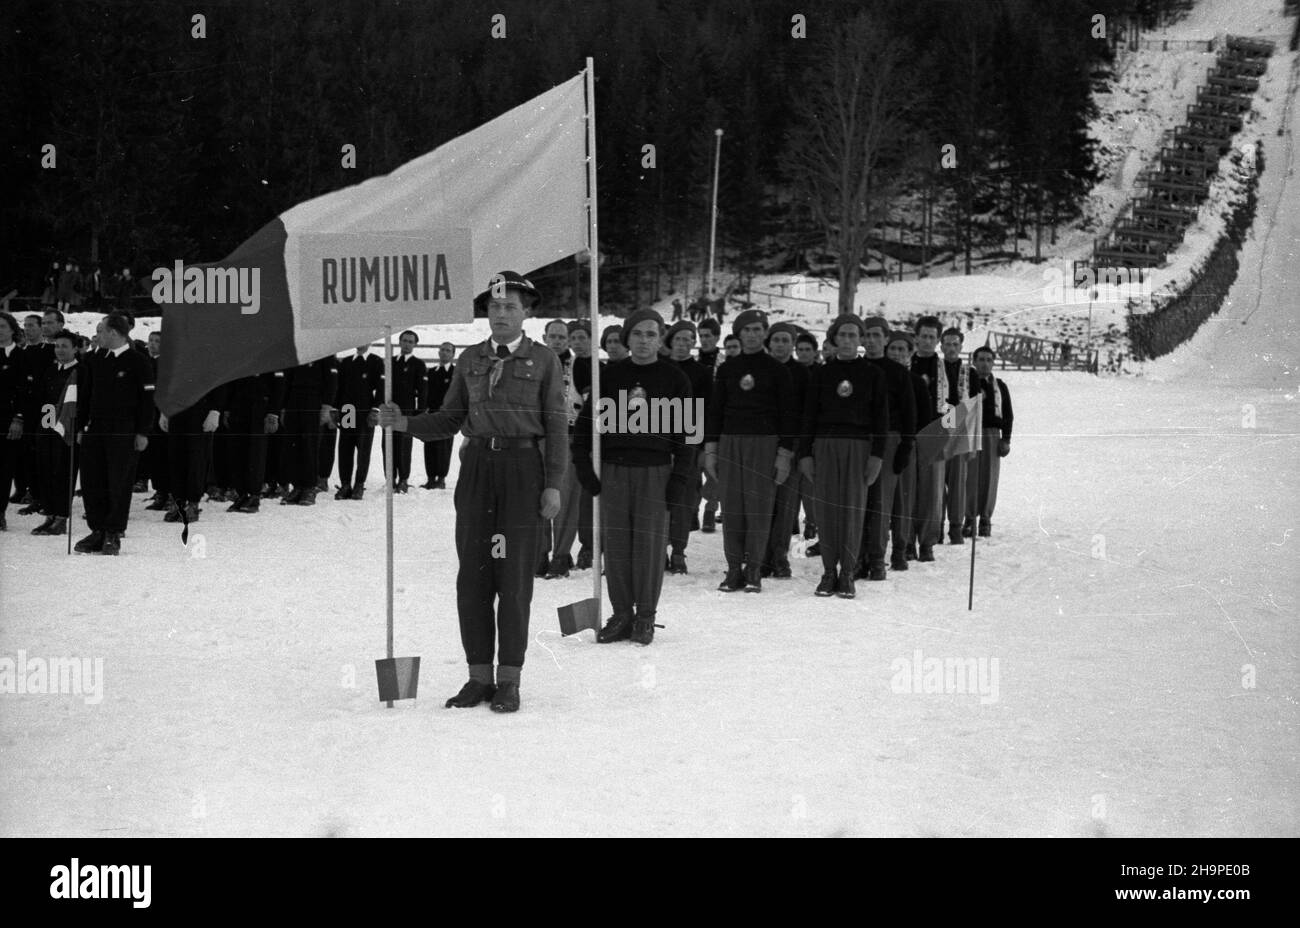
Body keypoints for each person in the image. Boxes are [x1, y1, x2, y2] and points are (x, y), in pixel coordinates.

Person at [377, 271, 566, 714]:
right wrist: (403, 422)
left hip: (523, 472)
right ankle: (478, 676)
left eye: (511, 307)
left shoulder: (544, 361)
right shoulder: (469, 359)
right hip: (478, 470)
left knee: (514, 580)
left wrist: (554, 483)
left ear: (527, 313)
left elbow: (557, 424)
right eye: (495, 307)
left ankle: (509, 680)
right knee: (474, 577)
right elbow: (449, 418)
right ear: (487, 312)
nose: (502, 314)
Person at [574, 309, 694, 645]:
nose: (644, 340)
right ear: (627, 338)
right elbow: (585, 428)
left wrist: (678, 480)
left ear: (661, 338)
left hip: (655, 473)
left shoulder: (676, 379)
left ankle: (645, 615)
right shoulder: (609, 377)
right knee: (617, 547)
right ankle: (622, 612)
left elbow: (689, 436)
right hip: (614, 471)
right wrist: (585, 469)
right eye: (637, 334)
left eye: (651, 334)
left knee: (649, 547)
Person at [703, 308, 797, 593]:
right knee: (732, 508)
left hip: (764, 444)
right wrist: (711, 449)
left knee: (759, 507)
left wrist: (784, 455)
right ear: (739, 334)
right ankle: (734, 568)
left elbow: (788, 416)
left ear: (765, 332)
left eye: (758, 329)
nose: (753, 335)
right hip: (731, 442)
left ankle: (754, 568)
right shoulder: (729, 368)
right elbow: (716, 410)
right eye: (747, 330)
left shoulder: (777, 370)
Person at [797, 315, 887, 598]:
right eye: (842, 335)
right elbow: (808, 415)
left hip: (858, 447)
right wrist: (805, 454)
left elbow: (881, 420)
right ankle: (827, 571)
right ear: (834, 339)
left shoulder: (873, 374)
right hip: (824, 446)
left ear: (860, 339)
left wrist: (877, 456)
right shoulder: (822, 374)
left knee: (852, 510)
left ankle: (847, 571)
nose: (847, 340)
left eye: (853, 335)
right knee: (826, 510)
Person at [74, 311, 154, 555]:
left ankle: (113, 532)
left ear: (114, 333)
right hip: (95, 429)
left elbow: (147, 400)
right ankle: (97, 529)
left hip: (124, 431)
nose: (97, 336)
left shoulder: (138, 361)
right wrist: (79, 427)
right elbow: (85, 396)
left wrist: (142, 432)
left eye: (101, 331)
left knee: (118, 482)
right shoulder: (95, 360)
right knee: (92, 480)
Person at [859, 316, 916, 581]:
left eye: (876, 335)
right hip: (858, 440)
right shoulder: (855, 368)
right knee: (858, 500)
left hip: (890, 440)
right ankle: (856, 556)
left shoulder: (897, 372)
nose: (870, 340)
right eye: (866, 335)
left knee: (881, 503)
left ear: (885, 339)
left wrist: (905, 445)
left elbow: (909, 413)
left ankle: (876, 559)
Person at [547, 319, 595, 577]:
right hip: (540, 436)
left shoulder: (577, 364)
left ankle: (562, 554)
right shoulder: (538, 361)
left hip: (571, 434)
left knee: (568, 497)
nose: (559, 341)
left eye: (562, 337)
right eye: (552, 336)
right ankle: (542, 552)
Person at [662, 320, 711, 574]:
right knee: (659, 499)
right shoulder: (659, 368)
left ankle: (679, 551)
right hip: (660, 442)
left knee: (683, 499)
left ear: (694, 343)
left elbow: (705, 410)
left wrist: (701, 447)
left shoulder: (701, 372)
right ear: (671, 341)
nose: (683, 344)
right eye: (678, 339)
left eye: (688, 340)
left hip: (689, 443)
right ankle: (659, 549)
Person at [885, 331, 930, 569]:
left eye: (902, 349)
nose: (897, 353)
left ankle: (901, 549)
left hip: (905, 444)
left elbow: (924, 416)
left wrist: (910, 441)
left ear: (910, 353)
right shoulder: (877, 374)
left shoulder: (915, 382)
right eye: (893, 348)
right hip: (880, 443)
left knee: (903, 499)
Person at [30, 329, 81, 535]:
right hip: (49, 426)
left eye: (64, 346)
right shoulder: (50, 369)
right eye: (57, 346)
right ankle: (49, 513)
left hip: (68, 430)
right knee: (46, 470)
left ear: (75, 349)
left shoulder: (81, 371)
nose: (59, 350)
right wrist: (46, 427)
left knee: (63, 473)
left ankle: (61, 517)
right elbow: (45, 400)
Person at [159, 380, 225, 523]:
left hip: (201, 407)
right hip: (177, 408)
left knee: (197, 457)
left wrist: (215, 409)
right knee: (176, 456)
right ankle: (179, 501)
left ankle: (193, 502)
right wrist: (164, 410)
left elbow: (219, 378)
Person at [223, 370, 286, 513]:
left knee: (256, 453)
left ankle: (254, 495)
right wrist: (227, 408)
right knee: (237, 451)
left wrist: (273, 412)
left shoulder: (271, 354)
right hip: (238, 405)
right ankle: (242, 493)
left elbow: (279, 384)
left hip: (260, 407)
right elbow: (231, 380)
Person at [965, 346, 1013, 537]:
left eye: (988, 360)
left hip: (992, 435)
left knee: (989, 478)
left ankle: (985, 518)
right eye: (981, 359)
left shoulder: (999, 386)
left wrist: (1006, 438)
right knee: (970, 477)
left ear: (993, 363)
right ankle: (969, 518)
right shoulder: (967, 383)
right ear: (974, 362)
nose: (985, 363)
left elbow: (1008, 414)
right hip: (970, 433)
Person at [279, 356, 337, 506]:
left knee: (309, 446)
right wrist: (284, 407)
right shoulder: (298, 353)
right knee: (293, 445)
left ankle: (309, 488)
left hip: (313, 401)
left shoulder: (326, 353)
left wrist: (327, 406)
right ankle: (297, 486)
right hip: (293, 400)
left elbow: (331, 381)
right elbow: (287, 380)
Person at [909, 316, 944, 561]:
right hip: (910, 433)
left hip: (936, 432)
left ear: (937, 340)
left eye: (932, 337)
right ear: (916, 337)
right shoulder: (907, 363)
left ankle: (927, 542)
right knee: (909, 489)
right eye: (924, 336)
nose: (927, 341)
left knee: (931, 492)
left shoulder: (944, 369)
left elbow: (956, 402)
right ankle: (907, 539)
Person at [329, 344, 383, 499]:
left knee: (363, 449)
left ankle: (359, 485)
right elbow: (339, 387)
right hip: (348, 411)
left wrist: (375, 409)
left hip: (365, 411)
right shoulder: (346, 362)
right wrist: (335, 408)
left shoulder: (375, 361)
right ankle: (345, 485)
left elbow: (381, 387)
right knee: (345, 448)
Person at [939, 326, 971, 545]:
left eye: (955, 344)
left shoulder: (969, 372)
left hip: (960, 429)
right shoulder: (936, 367)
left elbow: (976, 404)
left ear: (960, 346)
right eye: (947, 344)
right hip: (939, 428)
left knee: (958, 481)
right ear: (941, 346)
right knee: (937, 480)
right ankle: (936, 524)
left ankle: (956, 526)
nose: (951, 348)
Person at [386, 330, 427, 494]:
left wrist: (419, 413)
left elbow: (423, 391)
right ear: (399, 342)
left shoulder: (418, 364)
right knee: (388, 444)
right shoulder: (391, 362)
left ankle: (403, 479)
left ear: (415, 344)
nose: (407, 344)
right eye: (404, 340)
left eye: (410, 341)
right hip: (390, 410)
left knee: (404, 445)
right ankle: (390, 478)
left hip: (407, 410)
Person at [0, 312, 25, 530]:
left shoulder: (20, 356)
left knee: (4, 468)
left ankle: (0, 512)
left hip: (8, 421)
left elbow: (24, 392)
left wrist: (18, 418)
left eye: (2, 326)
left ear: (11, 330)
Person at [421, 342, 456, 489]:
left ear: (453, 354)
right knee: (430, 445)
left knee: (444, 446)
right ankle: (430, 477)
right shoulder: (431, 372)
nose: (444, 353)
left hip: (447, 416)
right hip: (431, 414)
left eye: (448, 350)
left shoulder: (456, 373)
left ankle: (441, 478)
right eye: (442, 350)